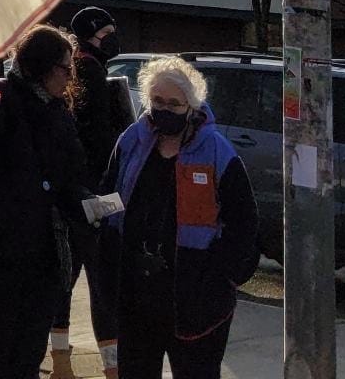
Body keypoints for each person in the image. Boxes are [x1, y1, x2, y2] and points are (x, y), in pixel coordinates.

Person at [96, 56, 258, 379]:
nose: (164, 109)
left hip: (196, 302)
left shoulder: (217, 152)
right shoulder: (131, 142)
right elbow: (108, 202)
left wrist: (221, 276)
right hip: (136, 297)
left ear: (191, 106)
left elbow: (244, 224)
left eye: (174, 103)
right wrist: (106, 263)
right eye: (157, 101)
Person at [0, 24, 95, 379]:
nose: (70, 78)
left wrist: (88, 204)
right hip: (2, 249)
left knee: (29, 348)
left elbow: (70, 175)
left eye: (72, 70)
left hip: (46, 251)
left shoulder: (58, 112)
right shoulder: (0, 103)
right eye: (64, 69)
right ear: (40, 65)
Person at [50, 8, 132, 379]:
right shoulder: (92, 71)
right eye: (108, 32)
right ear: (92, 34)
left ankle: (61, 363)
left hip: (70, 194)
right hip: (94, 195)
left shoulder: (73, 68)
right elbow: (99, 136)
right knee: (103, 285)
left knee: (65, 281)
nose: (113, 38)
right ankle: (112, 369)